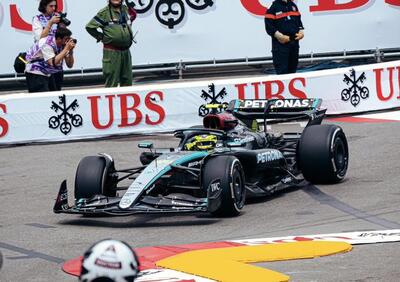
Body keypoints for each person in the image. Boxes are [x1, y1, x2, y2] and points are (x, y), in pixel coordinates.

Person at [86, 0, 137, 88]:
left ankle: (126, 101)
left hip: (126, 51)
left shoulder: (125, 9)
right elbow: (89, 27)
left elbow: (132, 17)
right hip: (112, 52)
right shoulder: (104, 12)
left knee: (127, 81)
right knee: (112, 82)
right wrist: (101, 37)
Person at [25, 27, 75, 93]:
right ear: (59, 39)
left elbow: (70, 65)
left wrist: (71, 51)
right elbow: (53, 62)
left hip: (47, 73)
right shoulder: (47, 43)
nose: (67, 42)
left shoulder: (62, 45)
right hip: (35, 72)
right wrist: (66, 49)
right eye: (66, 39)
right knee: (43, 98)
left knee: (53, 96)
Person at [33, 0, 66, 91]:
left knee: (57, 91)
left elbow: (63, 37)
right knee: (45, 93)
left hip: (57, 61)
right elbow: (40, 39)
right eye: (51, 6)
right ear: (44, 6)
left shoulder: (57, 18)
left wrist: (62, 25)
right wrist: (50, 23)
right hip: (42, 65)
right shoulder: (37, 19)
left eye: (55, 6)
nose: (53, 8)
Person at [264, 0, 304, 75]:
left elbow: (299, 22)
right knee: (282, 73)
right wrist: (279, 36)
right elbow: (269, 27)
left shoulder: (293, 6)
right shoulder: (273, 8)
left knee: (293, 71)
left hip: (294, 44)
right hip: (280, 47)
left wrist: (301, 33)